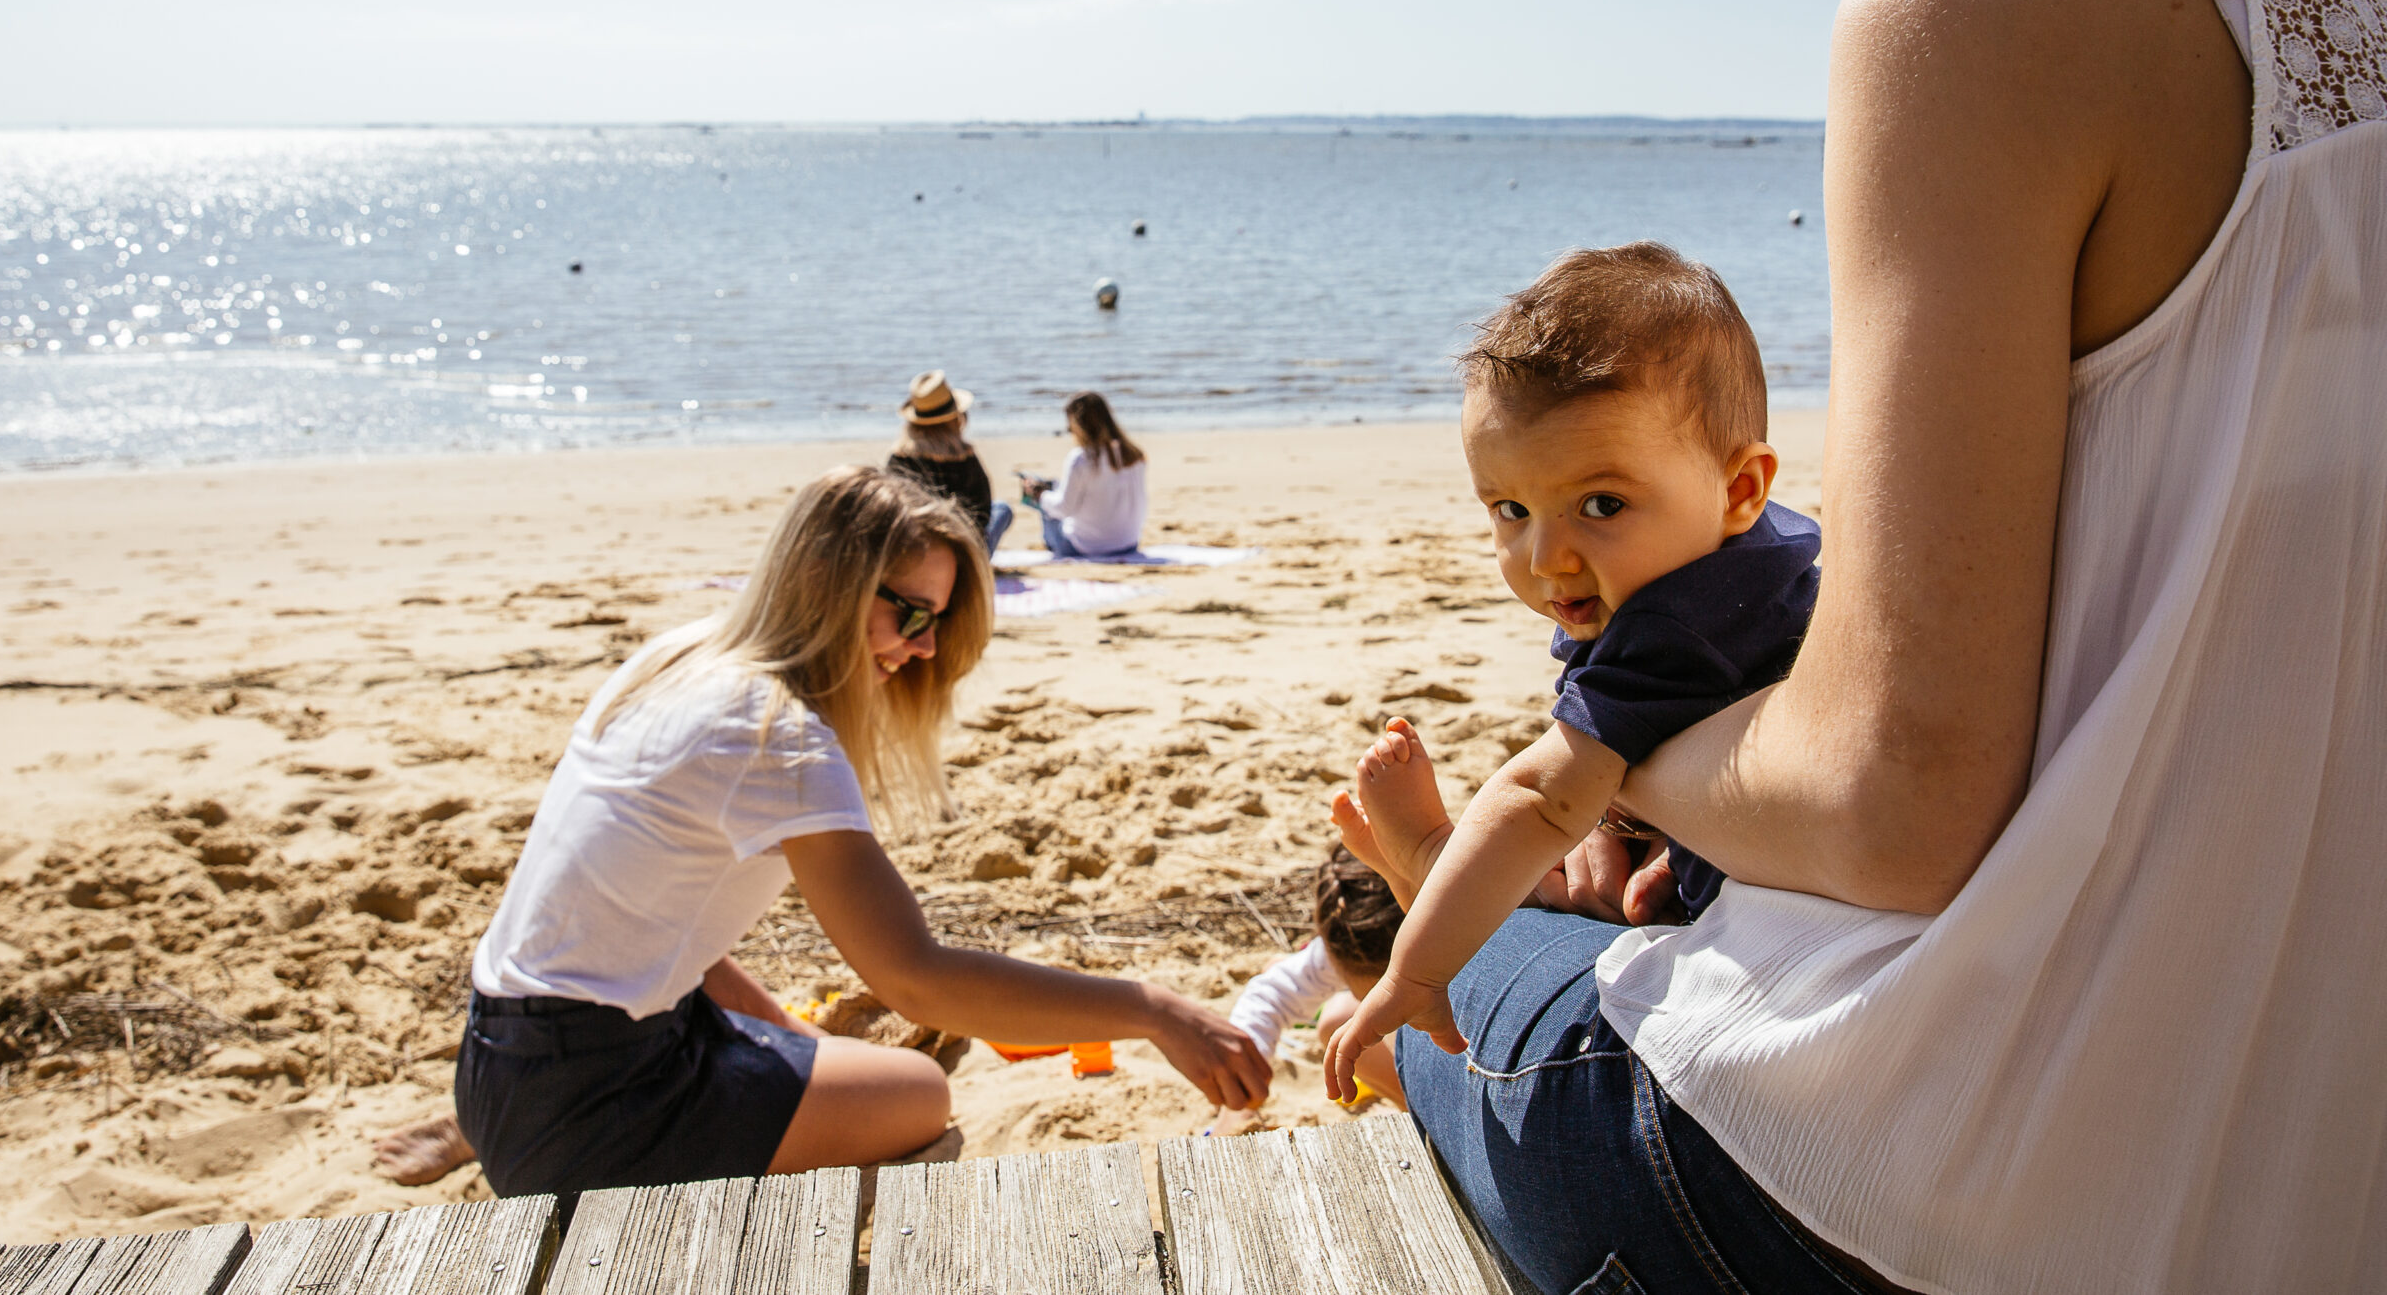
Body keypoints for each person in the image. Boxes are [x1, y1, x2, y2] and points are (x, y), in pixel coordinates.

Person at [1344, 0, 2387, 1291]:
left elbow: (1897, 806)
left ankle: (1479, 868)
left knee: (1442, 1003)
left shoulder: (1987, 15)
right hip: (2310, 1196)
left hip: (1914, 1198)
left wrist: (1621, 762)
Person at [452, 466, 1267, 1195]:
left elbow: (661, 927)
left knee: (855, 1064)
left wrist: (795, 1037)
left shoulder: (679, 657)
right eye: (911, 613)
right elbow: (916, 976)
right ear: (823, 581)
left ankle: (485, 1136)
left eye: (937, 620)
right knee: (921, 1093)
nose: (924, 648)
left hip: (501, 1058)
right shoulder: (775, 733)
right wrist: (1155, 1009)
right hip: (591, 1101)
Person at [1321, 244, 1820, 1093]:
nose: (1548, 557)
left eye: (1601, 505)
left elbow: (1538, 798)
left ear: (1740, 487)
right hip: (1749, 872)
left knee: (1536, 865)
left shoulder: (1671, 625)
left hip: (1751, 953)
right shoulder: (1768, 556)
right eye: (1510, 509)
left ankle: (1434, 866)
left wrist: (1416, 974)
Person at [1208, 845, 1406, 1134]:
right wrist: (1242, 1089)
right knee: (1337, 1019)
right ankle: (1412, 1103)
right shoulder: (1350, 937)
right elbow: (1272, 992)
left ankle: (1425, 1111)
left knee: (1342, 1020)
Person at [884, 369, 1012, 554]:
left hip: (913, 552)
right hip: (962, 558)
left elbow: (890, 514)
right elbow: (982, 515)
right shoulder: (964, 458)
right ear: (955, 418)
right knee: (1002, 509)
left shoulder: (899, 459)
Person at [1018, 390, 1148, 557]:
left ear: (1079, 424)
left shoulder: (1081, 458)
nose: (1068, 429)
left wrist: (1039, 495)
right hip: (1128, 543)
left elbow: (1063, 509)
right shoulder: (1134, 455)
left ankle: (1051, 540)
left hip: (1085, 547)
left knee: (1047, 504)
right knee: (1058, 488)